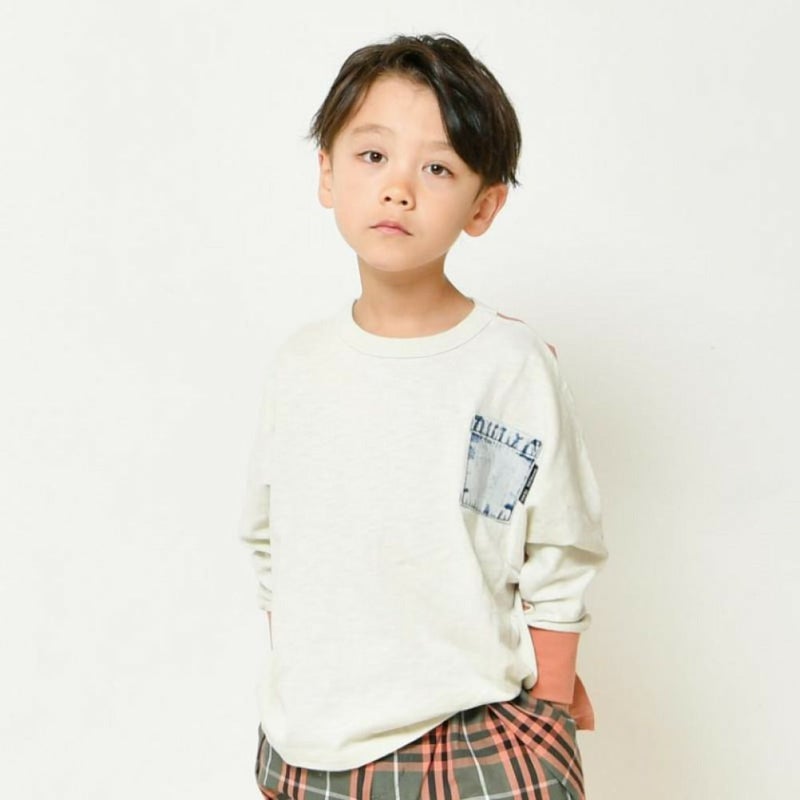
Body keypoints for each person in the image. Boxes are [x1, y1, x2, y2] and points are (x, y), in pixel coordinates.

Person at [239, 32, 608, 800]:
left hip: (476, 730)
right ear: (327, 173)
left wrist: (549, 708)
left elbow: (556, 543)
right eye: (373, 156)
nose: (399, 188)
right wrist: (302, 693)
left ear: (483, 205)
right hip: (309, 744)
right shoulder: (300, 364)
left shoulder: (509, 364)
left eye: (437, 168)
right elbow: (273, 540)